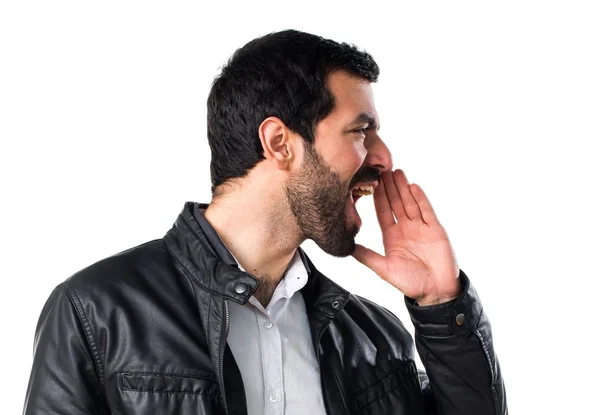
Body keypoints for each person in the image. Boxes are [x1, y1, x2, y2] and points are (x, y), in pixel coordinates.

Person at [23, 29, 507, 414]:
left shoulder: (374, 339)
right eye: (361, 130)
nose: (382, 157)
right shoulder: (95, 312)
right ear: (279, 142)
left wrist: (443, 306)